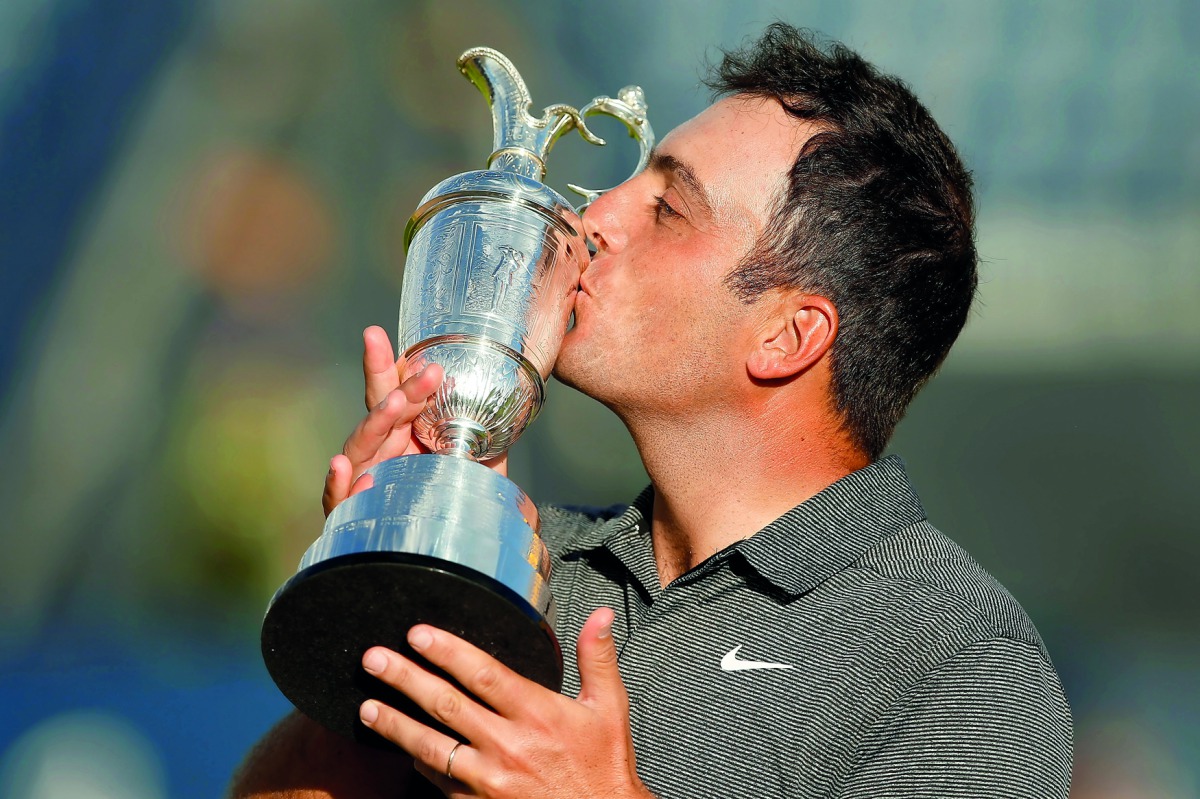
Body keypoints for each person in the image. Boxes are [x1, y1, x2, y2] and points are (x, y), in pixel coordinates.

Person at [231, 23, 1072, 799]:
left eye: (668, 209)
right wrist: (403, 567)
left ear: (787, 335)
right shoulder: (528, 554)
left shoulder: (960, 659)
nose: (593, 219)